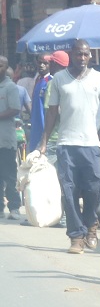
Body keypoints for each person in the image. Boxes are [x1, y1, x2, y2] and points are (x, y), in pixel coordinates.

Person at [36, 39, 100, 253]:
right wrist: (43, 142)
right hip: (66, 143)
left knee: (95, 188)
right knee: (68, 191)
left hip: (92, 144)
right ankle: (76, 237)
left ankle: (91, 225)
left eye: (86, 54)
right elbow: (51, 112)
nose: (82, 58)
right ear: (72, 54)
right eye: (78, 54)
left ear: (90, 56)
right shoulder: (58, 80)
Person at [0, 55, 23, 220]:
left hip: (5, 139)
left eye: (1, 66)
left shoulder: (10, 87)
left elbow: (15, 109)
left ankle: (14, 207)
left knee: (9, 175)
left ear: (6, 68)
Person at [27, 53, 53, 154]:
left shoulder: (51, 81)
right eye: (40, 62)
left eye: (45, 63)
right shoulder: (38, 80)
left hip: (44, 129)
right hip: (35, 127)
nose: (41, 65)